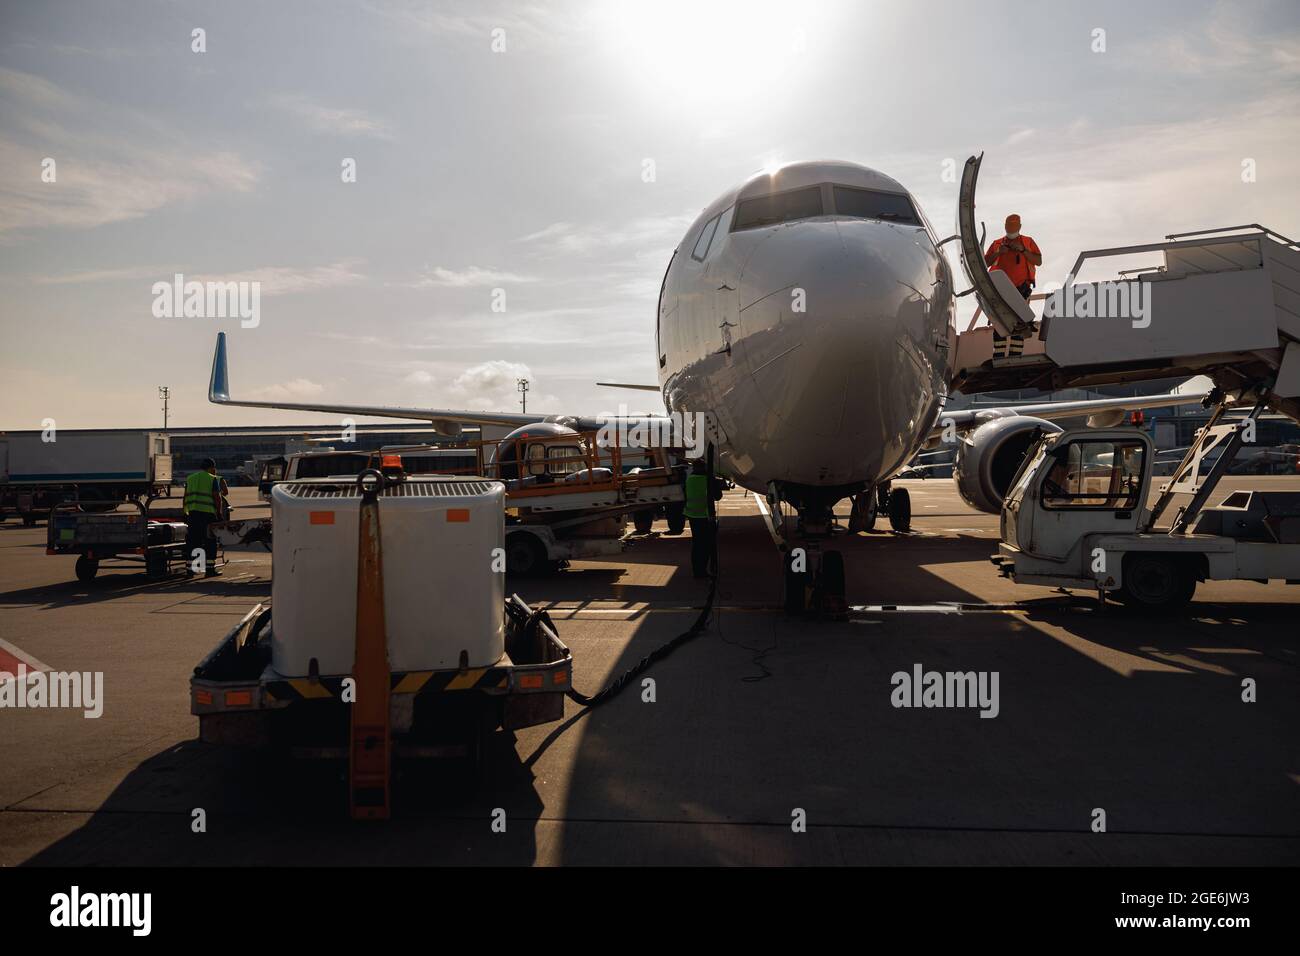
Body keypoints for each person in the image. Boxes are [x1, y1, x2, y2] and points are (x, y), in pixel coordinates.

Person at [984, 214, 1042, 358]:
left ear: (1020, 227)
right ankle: (998, 356)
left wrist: (1022, 250)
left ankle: (1015, 356)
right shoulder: (997, 244)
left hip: (1021, 289)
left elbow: (1038, 261)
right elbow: (985, 263)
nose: (1012, 229)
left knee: (1020, 324)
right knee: (1000, 323)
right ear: (1005, 226)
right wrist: (999, 252)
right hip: (1000, 290)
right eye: (1009, 226)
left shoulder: (1028, 242)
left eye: (1014, 227)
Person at [184, 458, 223, 577]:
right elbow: (217, 497)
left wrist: (185, 512)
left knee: (193, 541)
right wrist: (219, 513)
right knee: (210, 542)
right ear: (211, 468)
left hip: (193, 514)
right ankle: (210, 570)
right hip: (208, 514)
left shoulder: (190, 478)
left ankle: (190, 570)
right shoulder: (212, 479)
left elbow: (185, 497)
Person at [683, 459, 719, 579]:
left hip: (693, 516)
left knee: (697, 544)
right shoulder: (708, 480)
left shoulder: (689, 479)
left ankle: (697, 571)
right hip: (706, 516)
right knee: (707, 545)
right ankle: (704, 570)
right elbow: (718, 496)